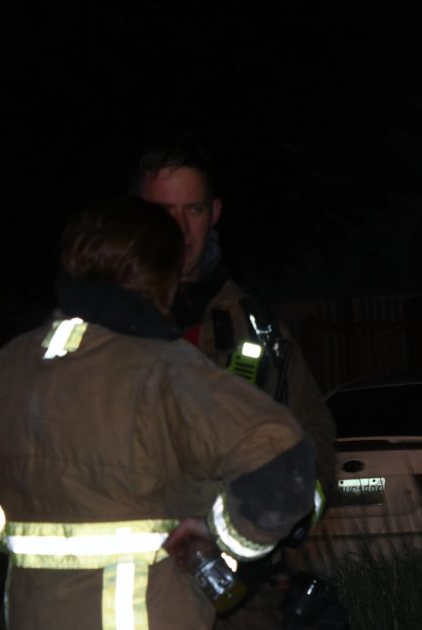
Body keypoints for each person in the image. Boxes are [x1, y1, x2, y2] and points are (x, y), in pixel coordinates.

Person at [0, 197, 316, 630]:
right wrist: (219, 536)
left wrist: (16, 530)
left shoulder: (5, 369)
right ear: (166, 278)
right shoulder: (167, 372)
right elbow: (284, 470)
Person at [132, 137, 339, 628]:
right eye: (163, 213)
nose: (180, 230)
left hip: (245, 602)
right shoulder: (106, 331)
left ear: (215, 213)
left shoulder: (254, 325)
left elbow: (316, 445)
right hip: (134, 596)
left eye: (194, 210)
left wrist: (283, 519)